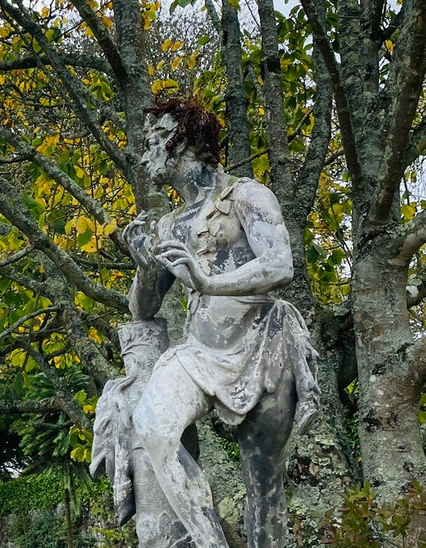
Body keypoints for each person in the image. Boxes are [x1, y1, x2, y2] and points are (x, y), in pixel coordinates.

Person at [123, 97, 318, 548]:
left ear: (183, 140)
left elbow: (279, 264)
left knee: (264, 488)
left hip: (262, 342)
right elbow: (142, 311)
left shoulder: (246, 194)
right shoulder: (170, 225)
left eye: (154, 139)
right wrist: (143, 269)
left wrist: (207, 281)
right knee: (152, 422)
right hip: (199, 349)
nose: (144, 151)